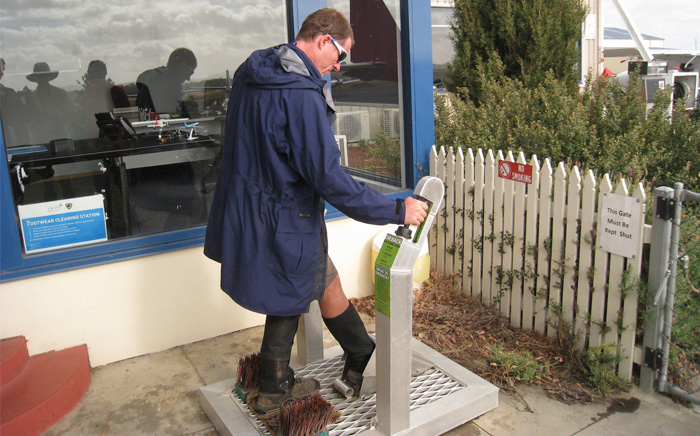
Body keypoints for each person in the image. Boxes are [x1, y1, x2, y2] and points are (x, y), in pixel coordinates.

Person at [204, 8, 428, 414]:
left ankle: (360, 350)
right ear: (323, 39)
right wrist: (396, 208)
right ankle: (274, 389)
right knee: (291, 290)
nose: (339, 65)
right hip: (286, 214)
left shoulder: (253, 70)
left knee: (321, 278)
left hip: (251, 204)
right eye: (340, 53)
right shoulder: (301, 94)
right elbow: (328, 179)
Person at [136, 48, 197, 117]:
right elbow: (177, 115)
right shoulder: (170, 83)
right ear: (182, 67)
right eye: (190, 72)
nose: (188, 78)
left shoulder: (154, 77)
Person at [23, 61, 73, 144]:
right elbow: (27, 120)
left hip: (60, 138)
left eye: (44, 75)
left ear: (48, 76)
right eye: (39, 76)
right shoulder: (31, 97)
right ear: (35, 78)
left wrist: (44, 111)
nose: (42, 78)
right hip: (40, 139)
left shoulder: (60, 94)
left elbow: (69, 116)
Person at [83, 60, 130, 138]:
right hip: (94, 136)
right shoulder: (89, 92)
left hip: (116, 136)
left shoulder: (117, 91)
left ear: (104, 73)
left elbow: (127, 116)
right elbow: (88, 116)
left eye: (93, 72)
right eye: (89, 72)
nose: (90, 75)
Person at [0, 58, 30, 147]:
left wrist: (29, 100)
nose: (2, 72)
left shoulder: (10, 92)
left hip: (14, 140)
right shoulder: (8, 94)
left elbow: (25, 117)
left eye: (2, 70)